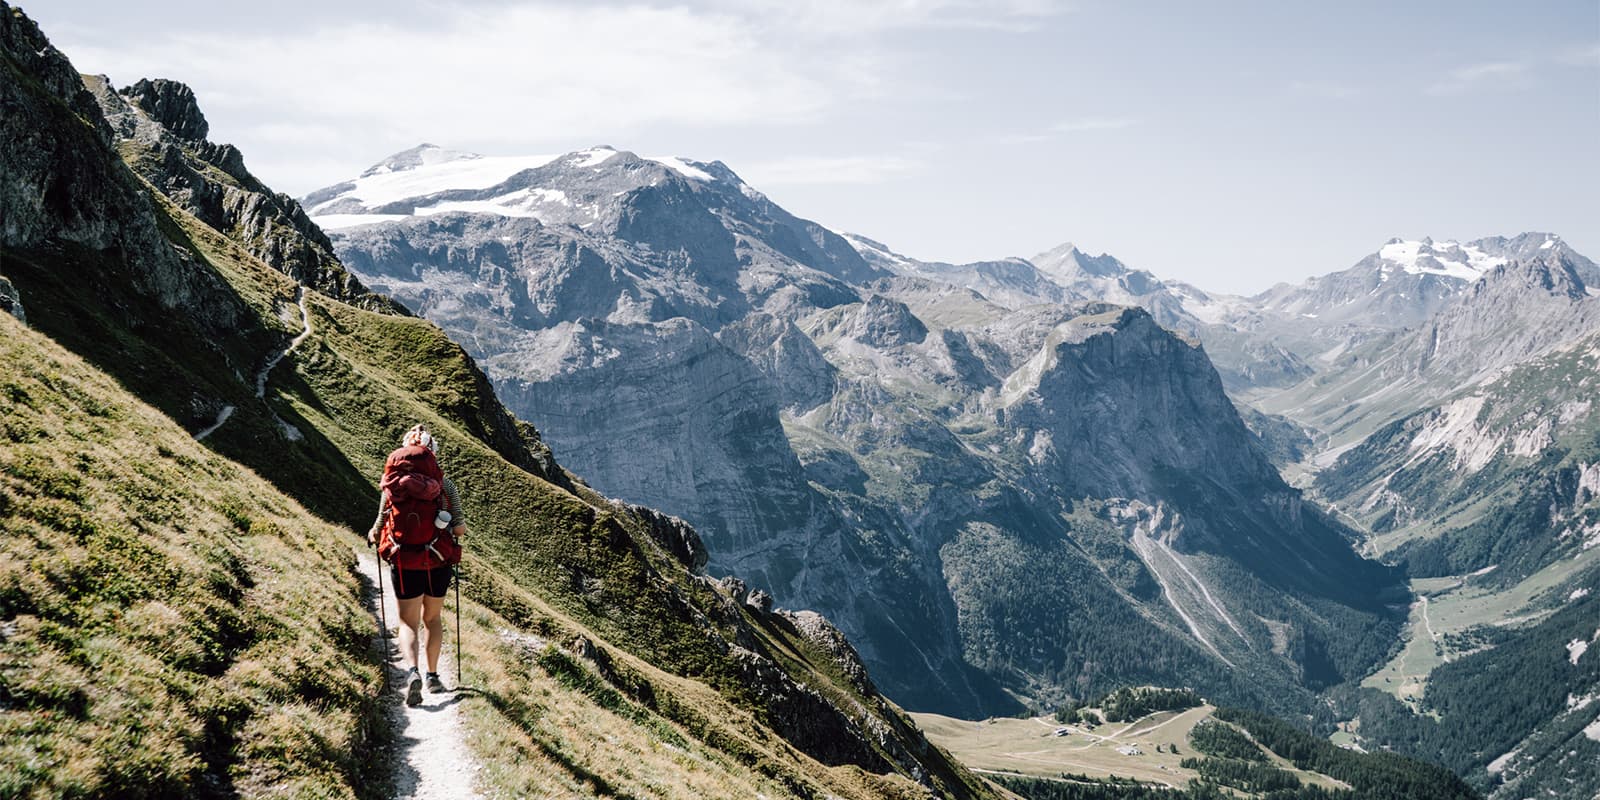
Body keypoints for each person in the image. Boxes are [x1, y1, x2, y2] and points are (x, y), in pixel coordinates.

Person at [368, 423, 467, 706]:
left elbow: (379, 525)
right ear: (432, 454)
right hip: (436, 560)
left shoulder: (390, 486)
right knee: (432, 619)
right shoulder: (445, 486)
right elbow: (459, 529)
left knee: (407, 622)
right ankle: (433, 676)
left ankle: (412, 672)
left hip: (403, 561)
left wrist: (373, 534)